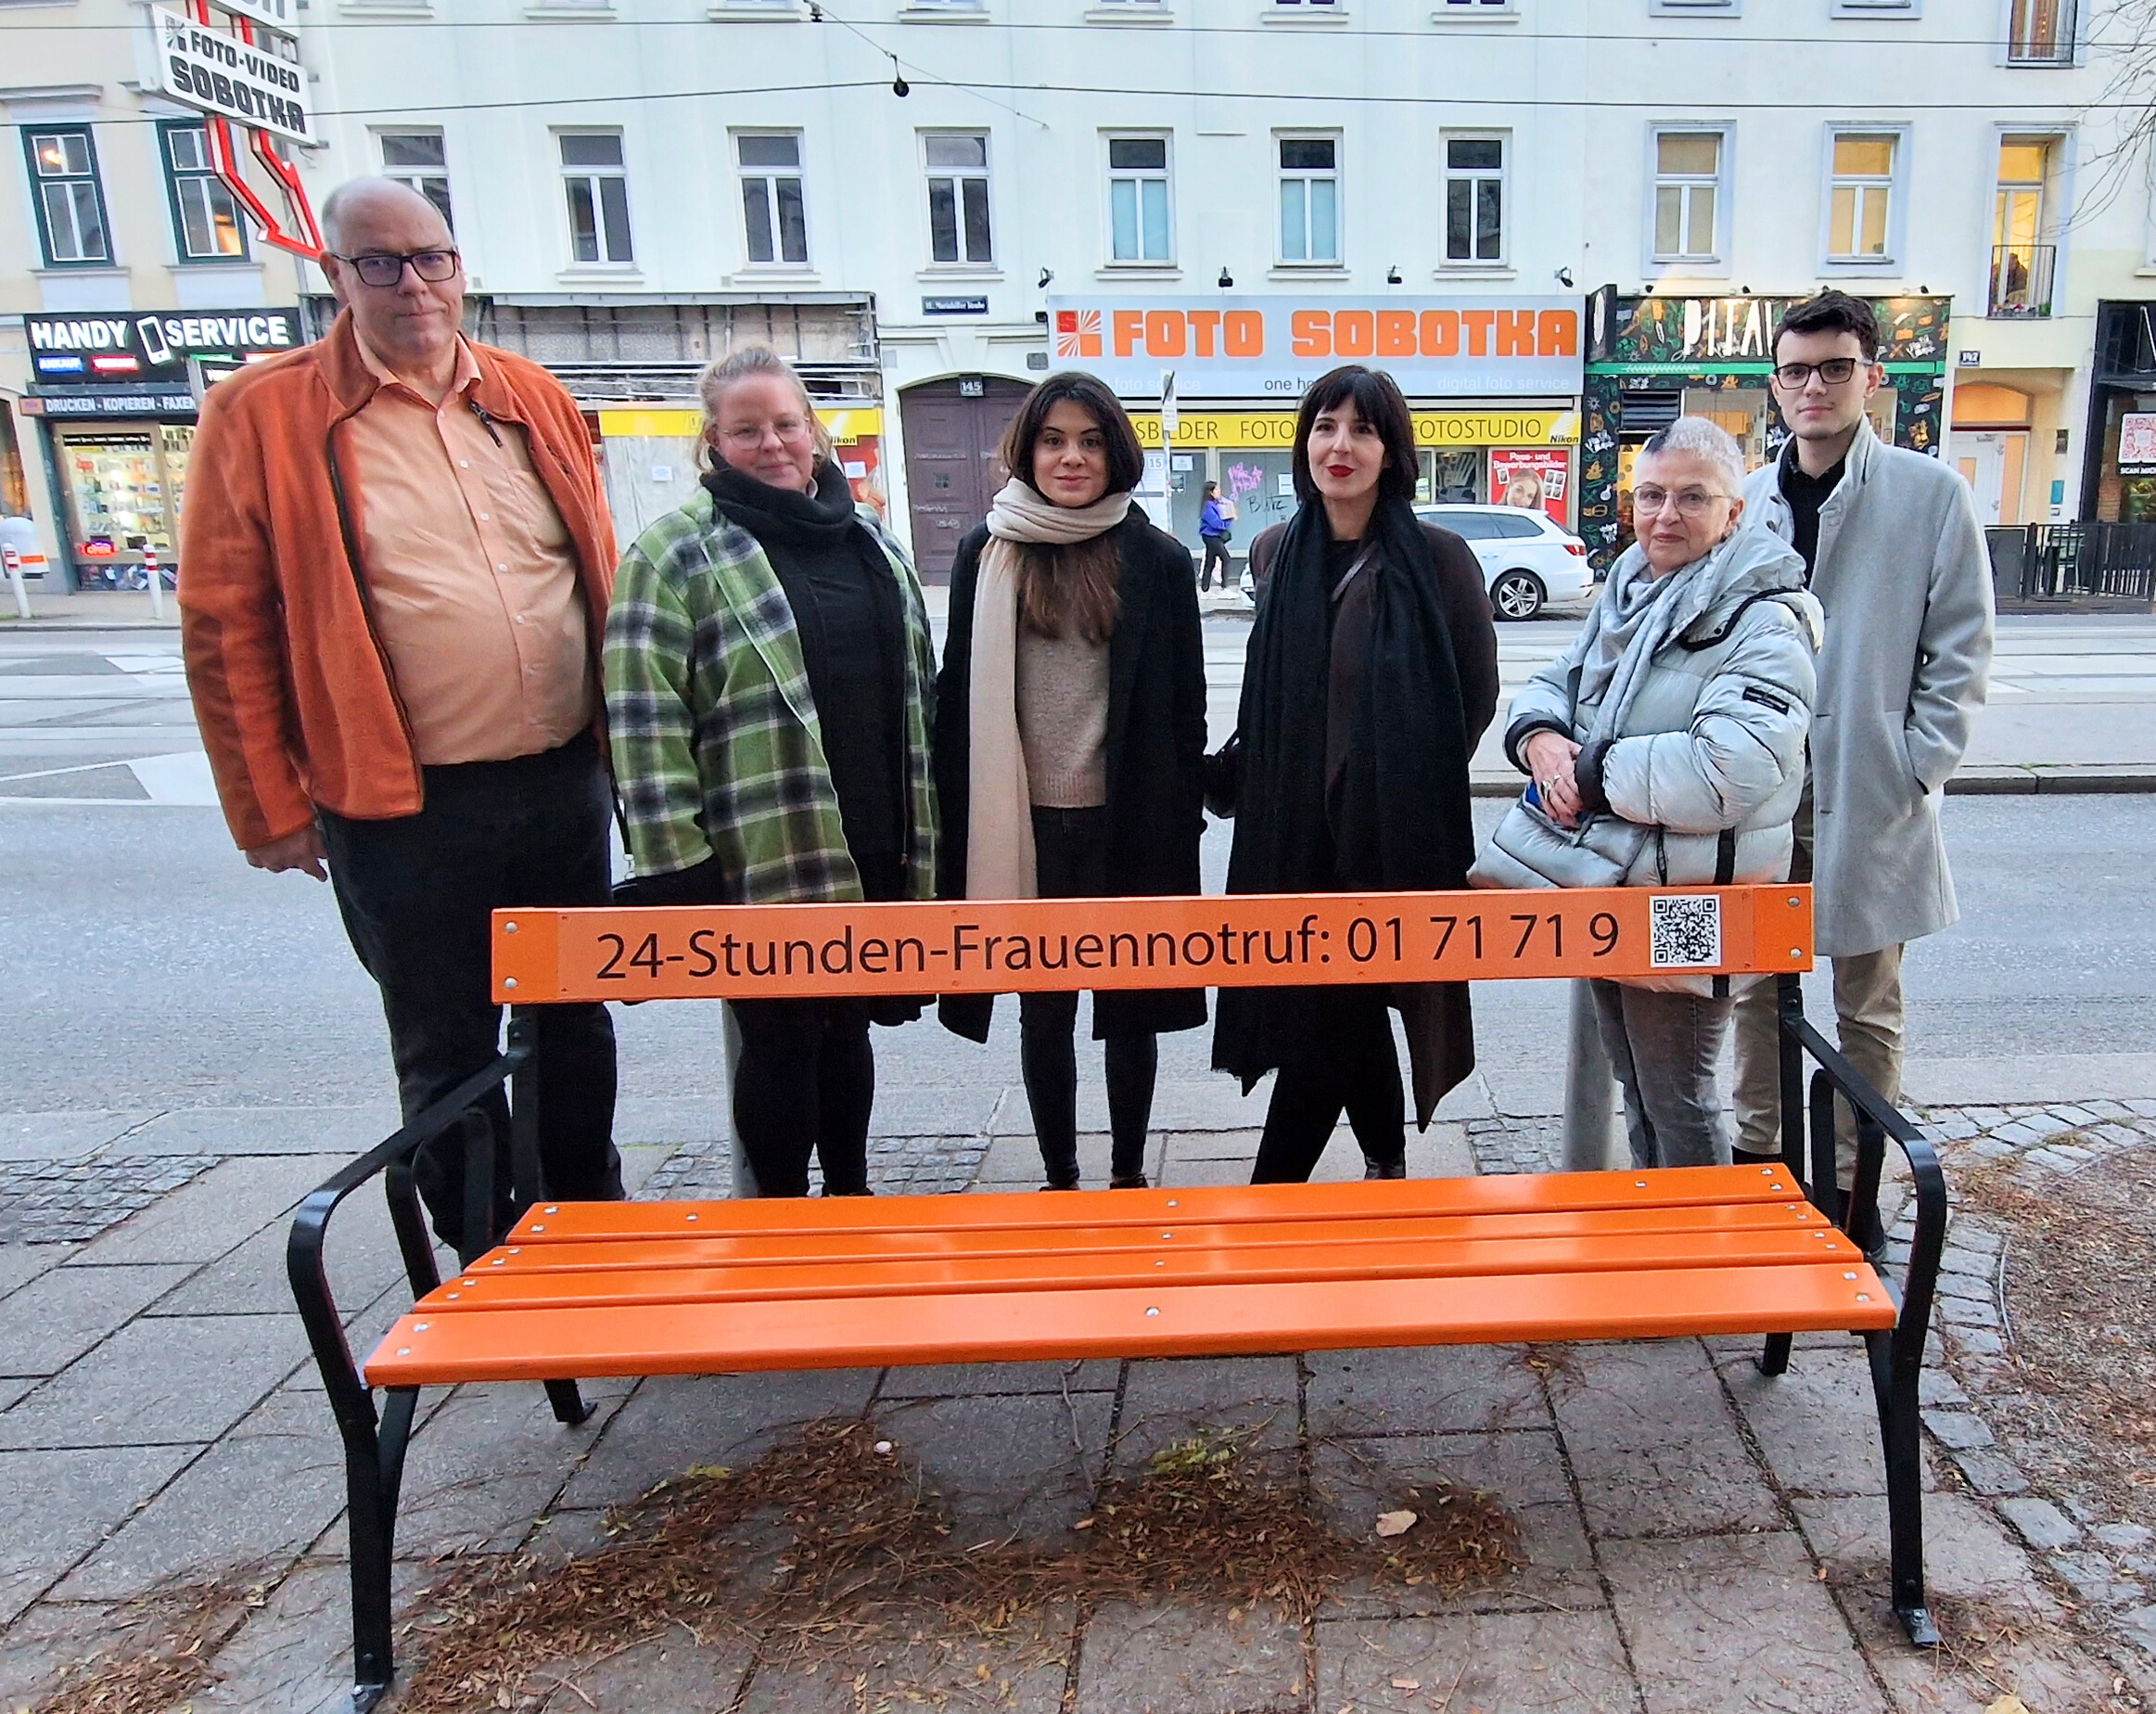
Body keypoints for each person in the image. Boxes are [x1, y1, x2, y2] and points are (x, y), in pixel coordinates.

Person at [178, 178, 623, 1261]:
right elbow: (225, 623)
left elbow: (590, 561)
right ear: (337, 276)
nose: (410, 284)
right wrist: (269, 810)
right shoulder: (263, 412)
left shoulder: (526, 392)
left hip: (561, 776)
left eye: (430, 259)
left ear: (460, 270)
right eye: (378, 262)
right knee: (447, 1040)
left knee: (574, 1022)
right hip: (405, 801)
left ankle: (591, 1232)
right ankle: (488, 1254)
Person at [604, 346, 938, 1200]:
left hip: (871, 833)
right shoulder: (674, 553)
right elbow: (642, 718)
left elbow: (918, 691)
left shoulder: (872, 540)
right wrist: (673, 862)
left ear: (813, 431)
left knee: (848, 1028)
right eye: (747, 429)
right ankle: (777, 1214)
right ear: (713, 442)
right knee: (781, 1038)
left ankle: (850, 1198)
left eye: (786, 424)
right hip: (759, 844)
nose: (773, 443)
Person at [1732, 292, 1992, 1247]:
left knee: (1867, 1005)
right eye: (1796, 370)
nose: (1815, 386)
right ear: (1775, 384)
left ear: (1870, 377)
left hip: (1869, 786)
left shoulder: (1929, 494)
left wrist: (1917, 764)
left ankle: (1854, 1187)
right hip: (1762, 790)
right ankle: (1760, 1169)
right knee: (1754, 989)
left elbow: (1960, 645)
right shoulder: (1747, 499)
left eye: (1835, 367)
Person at [1498, 417, 1818, 1169]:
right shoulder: (1632, 590)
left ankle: (1698, 1232)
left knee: (1676, 1095)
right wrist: (1540, 738)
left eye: (1691, 497)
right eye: (1650, 496)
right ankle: (1655, 1217)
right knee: (1637, 1083)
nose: (1664, 515)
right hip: (1617, 880)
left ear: (1732, 513)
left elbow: (1725, 770)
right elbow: (1558, 680)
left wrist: (1585, 773)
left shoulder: (1761, 618)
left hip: (1694, 899)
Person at [1211, 365, 1499, 1183]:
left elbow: (1474, 696)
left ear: (1390, 450)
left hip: (1390, 835)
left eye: (1362, 430)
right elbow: (1272, 696)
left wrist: (1396, 783)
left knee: (1334, 1006)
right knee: (1340, 1006)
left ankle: (1273, 1196)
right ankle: (1384, 1158)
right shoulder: (1275, 550)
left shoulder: (1438, 559)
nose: (1340, 446)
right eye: (1325, 426)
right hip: (1291, 838)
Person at [935, 372, 1207, 1191]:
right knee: (1042, 1010)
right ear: (1027, 451)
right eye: (1053, 440)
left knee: (1130, 1013)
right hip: (1022, 825)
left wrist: (1180, 817)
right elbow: (955, 696)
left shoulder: (1157, 560)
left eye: (1089, 441)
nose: (1071, 458)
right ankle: (1060, 1176)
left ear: (1114, 452)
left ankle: (1127, 1176)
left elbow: (1184, 707)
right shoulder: (986, 552)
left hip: (1125, 821)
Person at [1198, 480, 1232, 591]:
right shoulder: (1208, 506)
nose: (1219, 491)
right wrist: (1228, 520)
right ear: (1211, 492)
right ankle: (1224, 587)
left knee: (1210, 562)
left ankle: (1205, 589)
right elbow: (1216, 523)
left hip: (1214, 536)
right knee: (1226, 559)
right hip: (1211, 536)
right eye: (1216, 489)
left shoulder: (1216, 504)